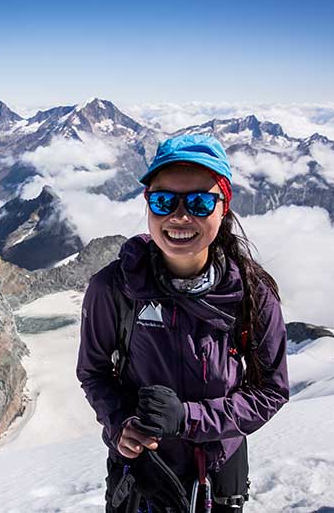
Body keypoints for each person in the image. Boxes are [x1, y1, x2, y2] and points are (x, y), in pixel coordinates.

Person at [77, 134, 290, 512]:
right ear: (148, 205)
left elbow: (270, 392)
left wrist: (188, 419)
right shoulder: (113, 288)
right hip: (141, 473)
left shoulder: (253, 294)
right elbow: (94, 371)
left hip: (219, 475)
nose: (179, 216)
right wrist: (121, 424)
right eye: (163, 201)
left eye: (199, 202)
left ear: (223, 208)